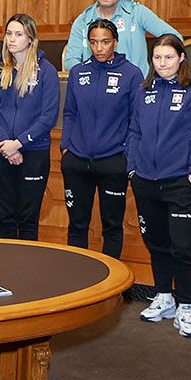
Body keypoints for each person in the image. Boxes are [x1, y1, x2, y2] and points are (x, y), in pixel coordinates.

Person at [128, 35, 191, 337]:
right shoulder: (144, 91)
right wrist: (132, 168)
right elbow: (135, 131)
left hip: (180, 181)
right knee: (156, 243)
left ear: (181, 58)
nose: (162, 63)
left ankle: (186, 306)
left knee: (181, 247)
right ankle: (163, 295)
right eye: (156, 58)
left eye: (168, 57)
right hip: (145, 180)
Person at [60, 18, 140, 257]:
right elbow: (70, 113)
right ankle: (77, 284)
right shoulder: (78, 72)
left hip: (113, 161)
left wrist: (127, 156)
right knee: (77, 226)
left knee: (112, 227)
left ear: (115, 42)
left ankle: (109, 287)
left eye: (105, 42)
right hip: (77, 160)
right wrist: (66, 148)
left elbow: (135, 121)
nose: (99, 48)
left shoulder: (131, 74)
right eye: (94, 42)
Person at [0, 14, 61, 240]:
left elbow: (48, 117)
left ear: (30, 38)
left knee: (28, 220)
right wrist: (6, 145)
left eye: (18, 34)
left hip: (34, 153)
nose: (12, 39)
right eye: (9, 34)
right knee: (5, 218)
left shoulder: (46, 71)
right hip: (1, 152)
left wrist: (18, 144)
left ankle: (27, 273)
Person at [60, 0, 176, 72]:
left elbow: (174, 38)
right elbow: (70, 61)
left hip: (136, 87)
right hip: (96, 87)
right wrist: (91, 73)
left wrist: (157, 66)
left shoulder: (136, 12)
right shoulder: (83, 20)